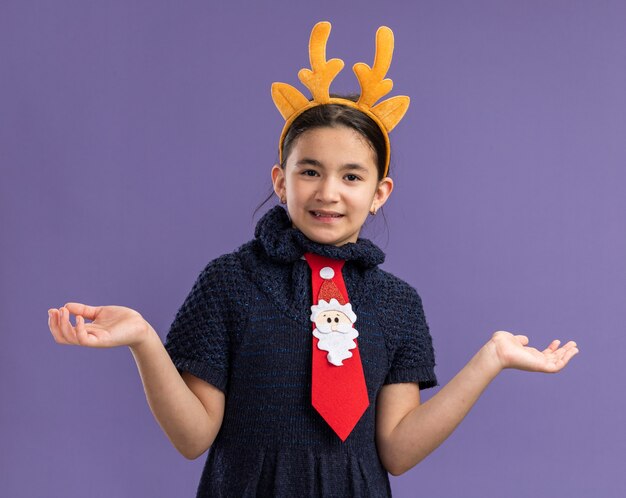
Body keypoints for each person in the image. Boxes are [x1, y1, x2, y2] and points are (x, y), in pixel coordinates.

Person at [47, 22, 579, 497]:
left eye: (351, 176)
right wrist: (143, 338)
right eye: (309, 171)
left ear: (380, 193)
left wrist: (490, 360)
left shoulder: (397, 304)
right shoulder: (229, 282)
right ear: (281, 181)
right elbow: (192, 438)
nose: (329, 191)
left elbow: (397, 450)